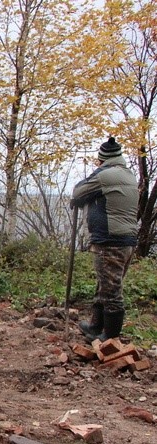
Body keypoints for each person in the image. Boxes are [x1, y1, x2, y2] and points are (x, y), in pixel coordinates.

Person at [70, 136, 138, 342]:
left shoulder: (106, 175)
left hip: (110, 241)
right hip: (125, 241)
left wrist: (98, 171)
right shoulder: (128, 174)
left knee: (111, 291)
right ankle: (96, 327)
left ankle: (109, 338)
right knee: (105, 285)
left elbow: (79, 191)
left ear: (103, 159)